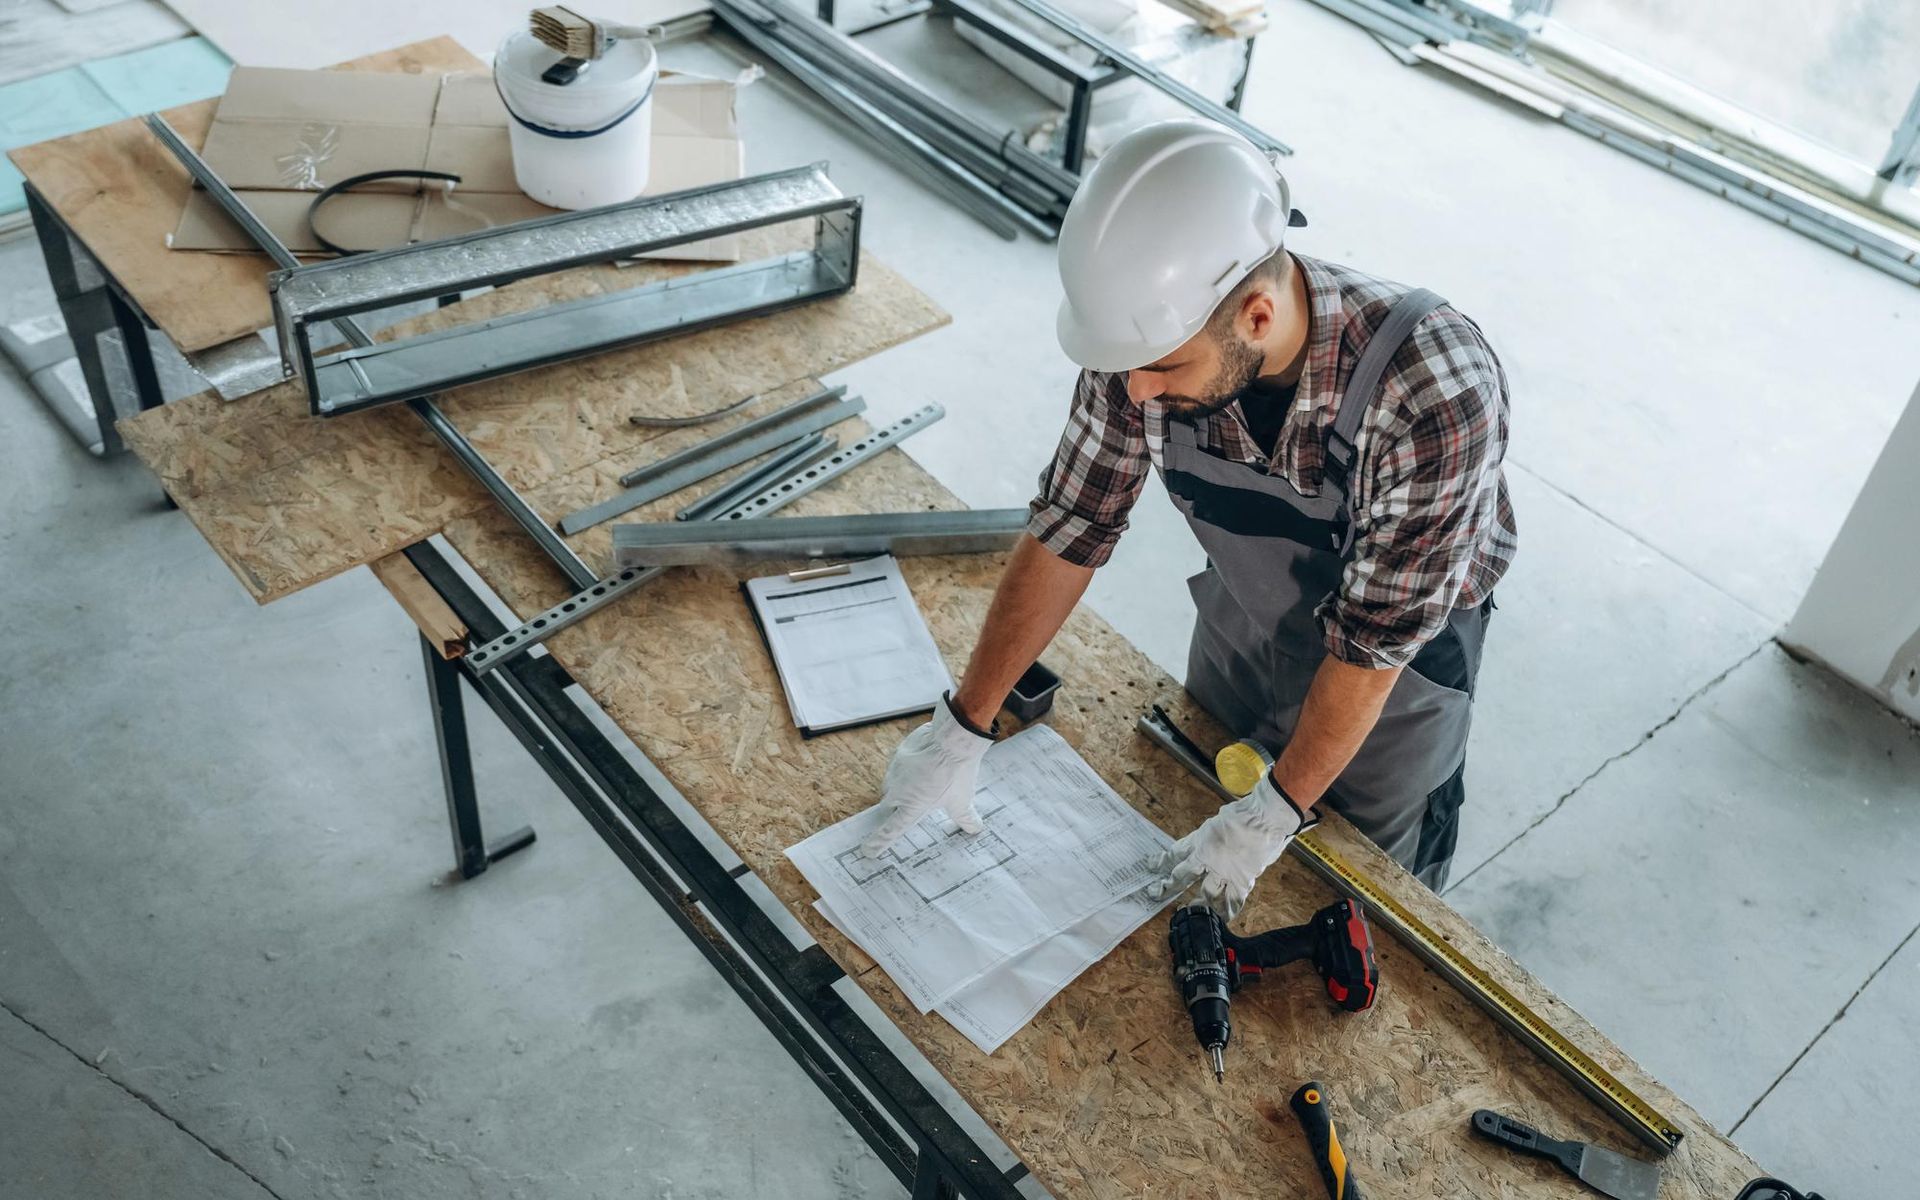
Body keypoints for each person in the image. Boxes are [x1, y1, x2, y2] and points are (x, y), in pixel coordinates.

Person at [859, 117, 1517, 911]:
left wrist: (1271, 816)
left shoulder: (1432, 390)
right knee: (1188, 791)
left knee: (1351, 901)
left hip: (1393, 683)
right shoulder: (1144, 346)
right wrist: (964, 725)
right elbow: (1073, 522)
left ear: (1258, 317)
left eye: (1164, 368)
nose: (1136, 392)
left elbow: (1373, 645)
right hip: (1245, 627)